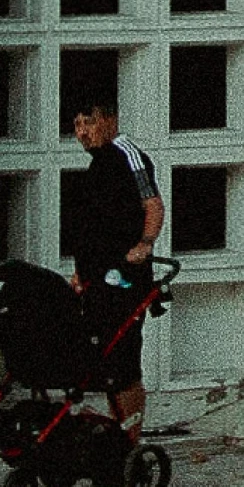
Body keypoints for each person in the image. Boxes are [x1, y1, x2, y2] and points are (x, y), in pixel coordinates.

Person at [68, 99, 165, 445]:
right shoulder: (96, 167)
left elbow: (152, 204)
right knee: (99, 359)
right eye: (77, 125)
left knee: (123, 360)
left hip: (125, 280)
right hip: (96, 282)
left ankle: (131, 442)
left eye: (89, 122)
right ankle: (111, 437)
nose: (82, 133)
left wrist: (145, 243)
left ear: (110, 119)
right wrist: (79, 273)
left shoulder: (129, 155)